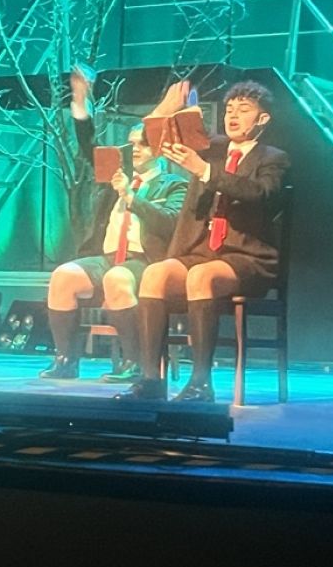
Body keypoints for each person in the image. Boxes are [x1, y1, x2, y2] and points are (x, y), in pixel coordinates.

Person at [120, 80, 290, 402]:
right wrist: (166, 108)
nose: (233, 116)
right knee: (154, 274)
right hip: (201, 251)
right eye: (229, 109)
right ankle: (150, 380)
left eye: (243, 110)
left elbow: (260, 193)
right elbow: (156, 141)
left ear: (263, 119)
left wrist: (205, 171)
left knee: (201, 276)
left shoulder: (273, 158)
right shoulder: (212, 146)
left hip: (247, 258)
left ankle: (201, 383)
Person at [39, 66, 188, 383]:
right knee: (63, 276)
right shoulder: (117, 174)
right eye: (132, 143)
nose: (135, 149)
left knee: (118, 278)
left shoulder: (175, 184)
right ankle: (66, 360)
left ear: (159, 149)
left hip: (145, 262)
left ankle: (133, 363)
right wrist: (80, 102)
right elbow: (89, 147)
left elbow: (169, 222)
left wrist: (131, 197)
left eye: (143, 144)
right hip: (107, 257)